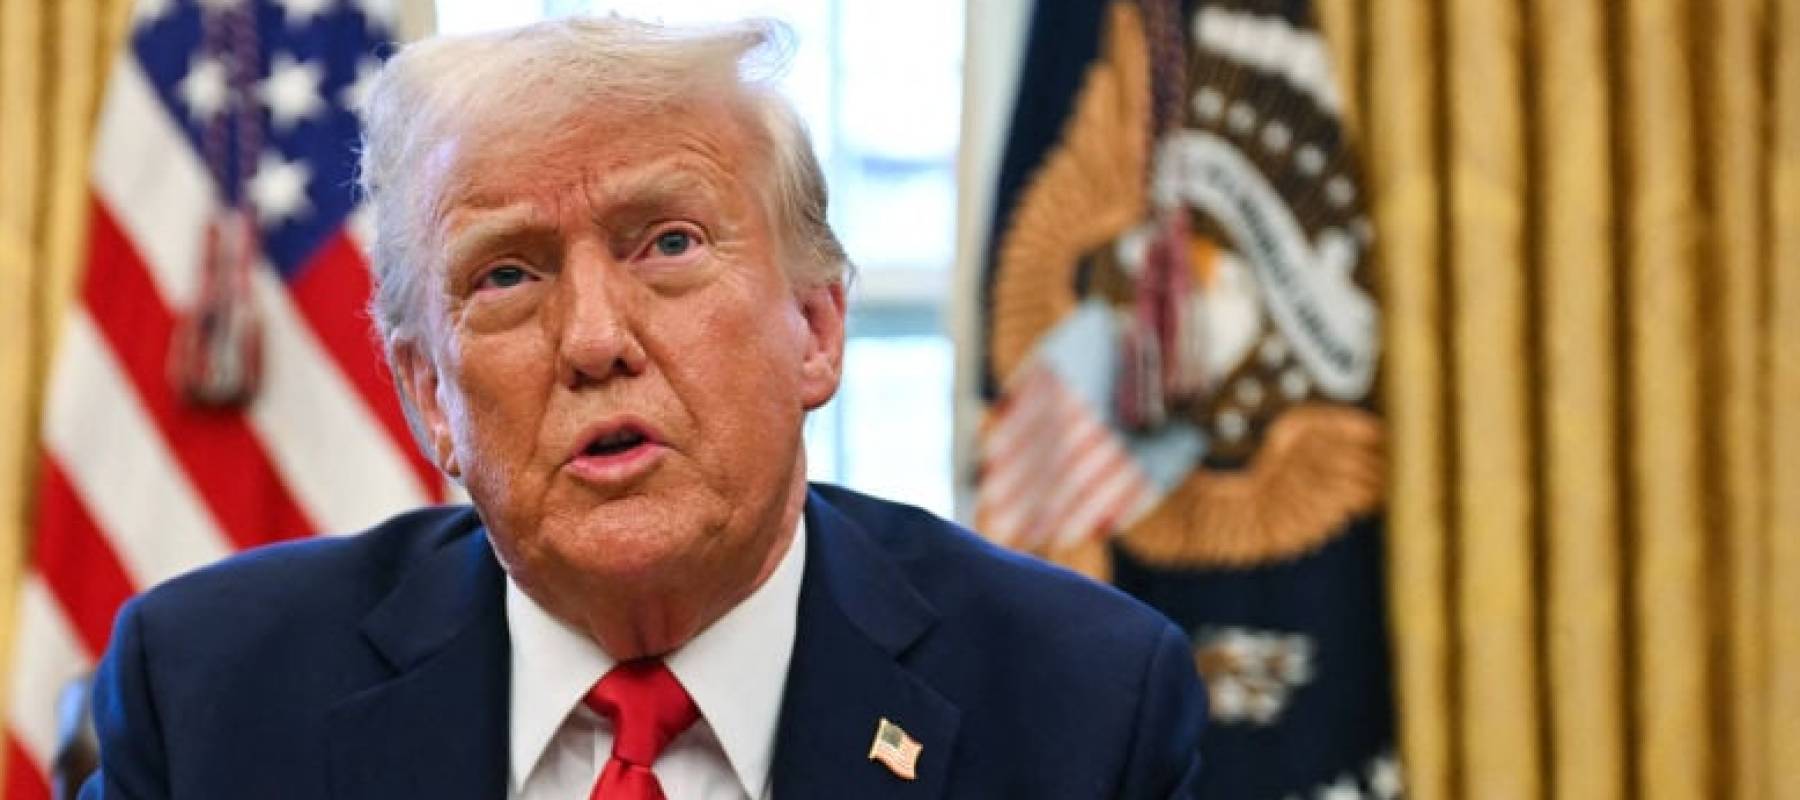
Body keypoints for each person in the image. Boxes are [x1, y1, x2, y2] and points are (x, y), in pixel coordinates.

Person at [80, 16, 1205, 799]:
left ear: (815, 328)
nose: (594, 340)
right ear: (430, 392)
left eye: (667, 244)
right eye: (507, 275)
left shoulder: (1083, 704)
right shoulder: (213, 698)